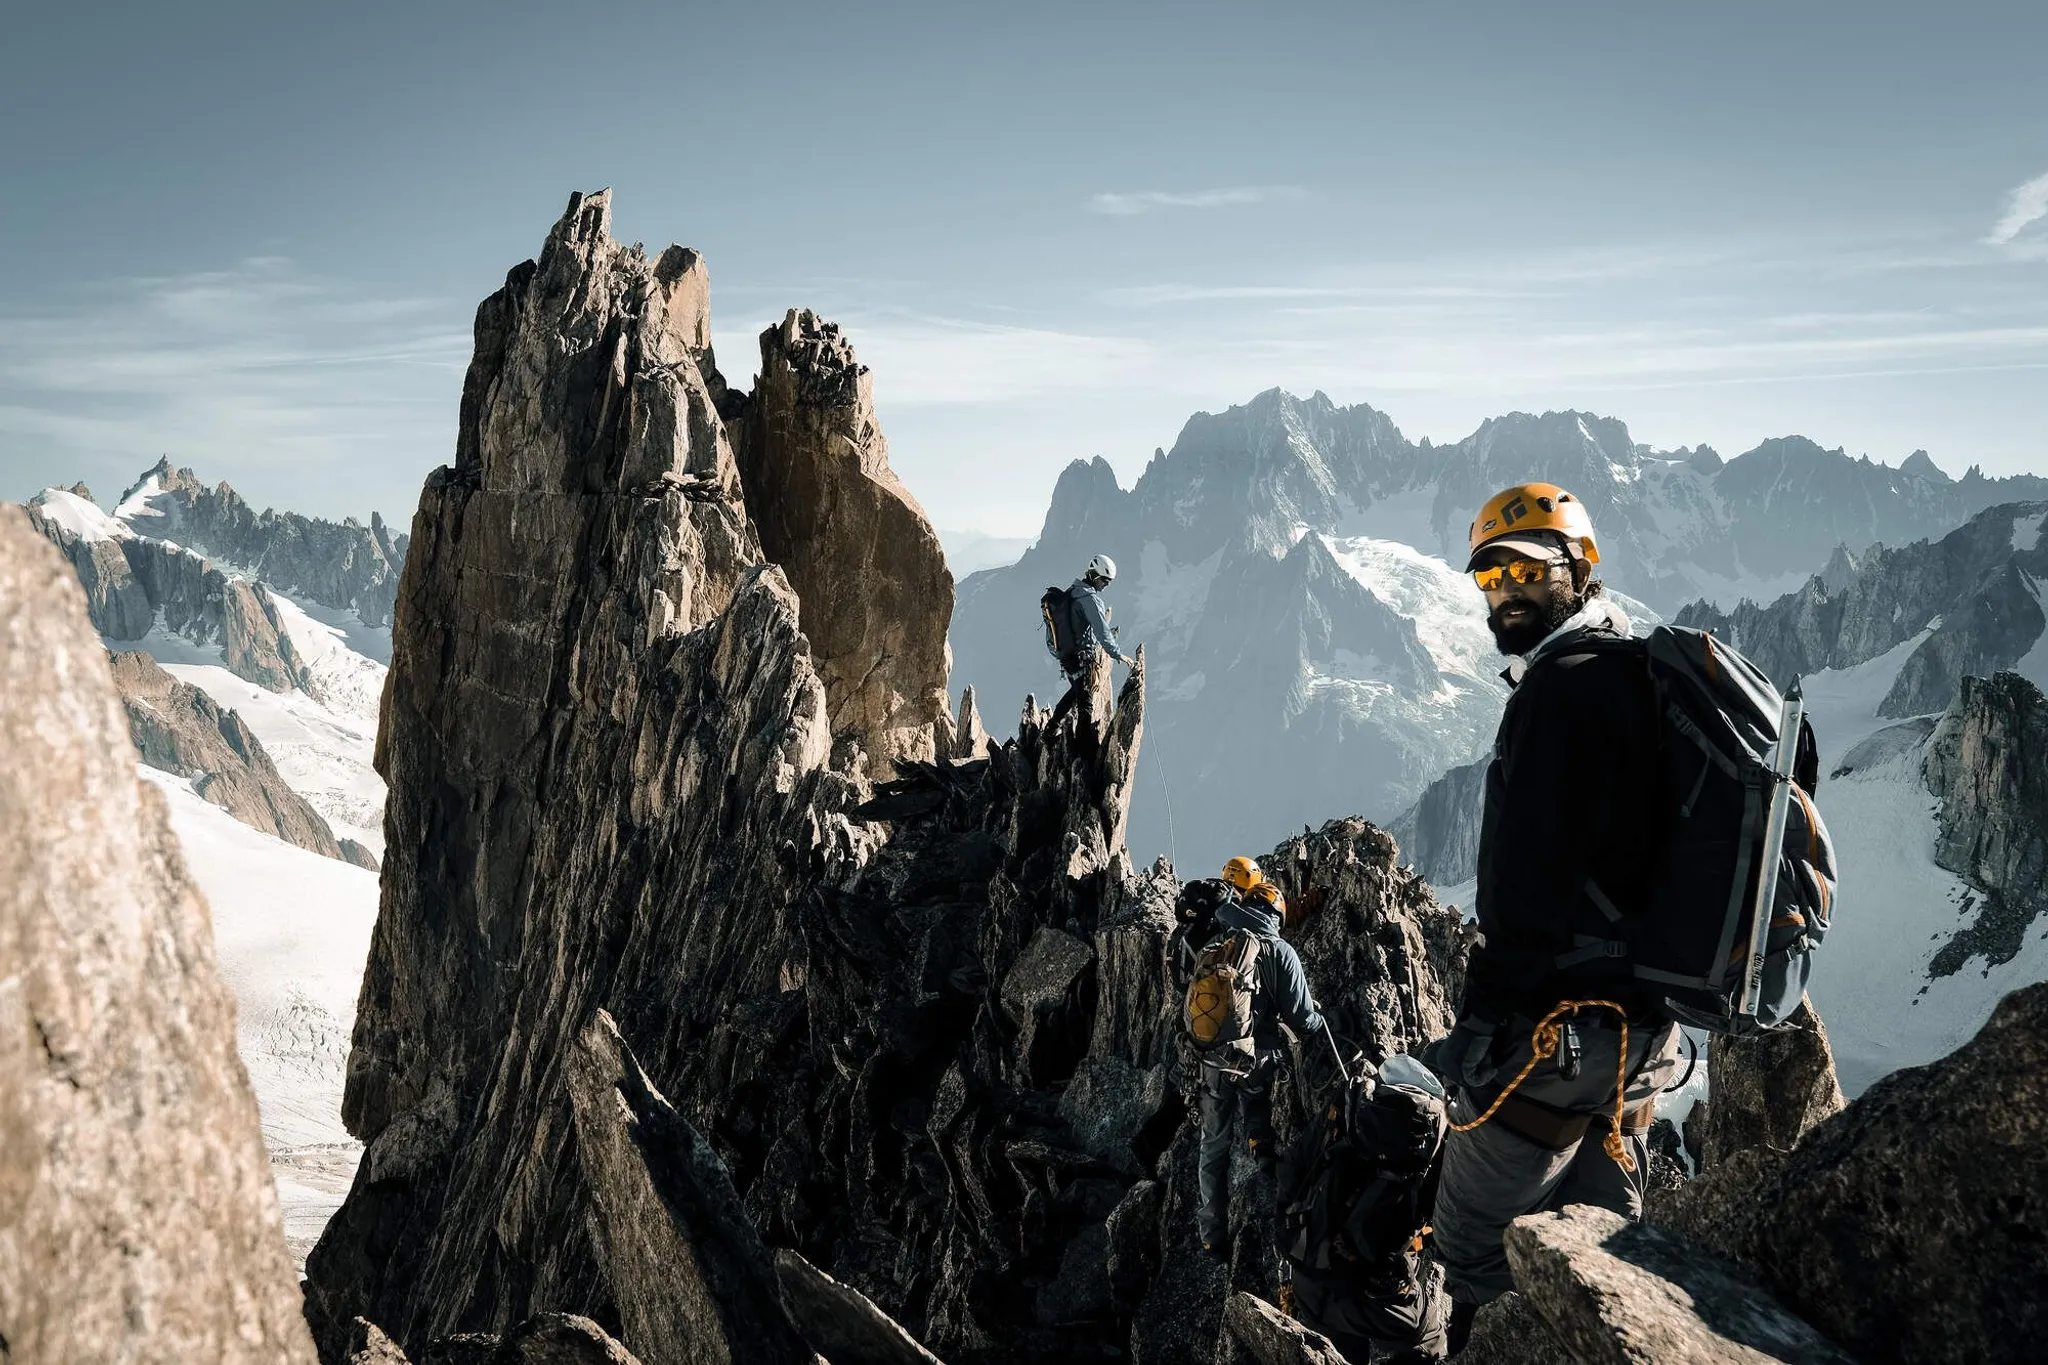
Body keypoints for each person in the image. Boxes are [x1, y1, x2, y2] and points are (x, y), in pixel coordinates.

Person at [1422, 483, 1680, 1353]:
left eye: (1530, 568)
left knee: (1471, 1248)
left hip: (1557, 1035)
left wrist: (1480, 1034)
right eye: (1492, 575)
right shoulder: (1637, 669)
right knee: (1608, 1252)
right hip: (1642, 1038)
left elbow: (1521, 896)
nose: (1508, 590)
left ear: (1581, 570)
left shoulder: (1556, 694)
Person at [1188, 856, 1328, 1259]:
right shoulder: (1281, 952)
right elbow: (1303, 1020)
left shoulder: (1223, 935)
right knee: (1256, 1093)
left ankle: (1212, 1234)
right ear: (1277, 915)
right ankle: (1262, 1151)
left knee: (1212, 1145)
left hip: (1215, 1055)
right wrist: (1324, 1019)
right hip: (1256, 1057)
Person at [1049, 553, 1136, 726]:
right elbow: (1101, 631)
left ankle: (1051, 728)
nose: (1106, 585)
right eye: (1104, 580)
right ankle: (1087, 749)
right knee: (1085, 705)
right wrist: (1118, 654)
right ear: (1095, 576)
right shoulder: (1090, 599)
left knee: (1076, 693)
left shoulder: (1072, 592)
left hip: (1067, 655)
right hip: (1080, 658)